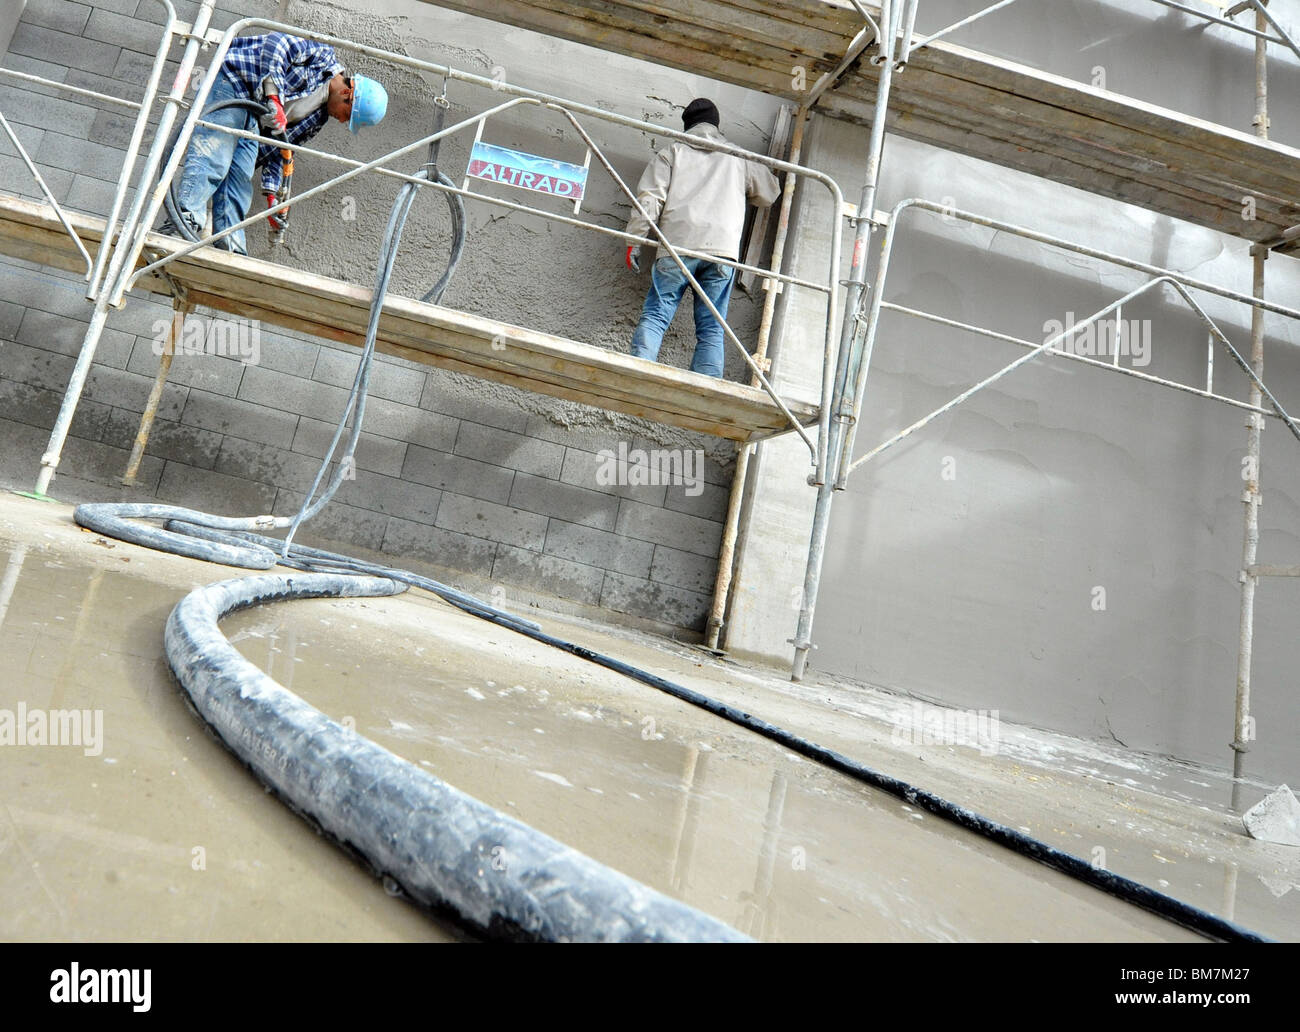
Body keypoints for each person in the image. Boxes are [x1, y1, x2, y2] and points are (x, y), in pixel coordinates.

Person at [164, 32, 388, 254]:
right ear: (347, 93)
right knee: (215, 156)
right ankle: (183, 222)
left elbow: (278, 149)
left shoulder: (316, 119)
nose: (341, 120)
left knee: (240, 175)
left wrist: (274, 198)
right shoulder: (322, 56)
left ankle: (230, 247)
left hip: (252, 117)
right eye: (347, 115)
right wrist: (274, 99)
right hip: (237, 83)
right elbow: (277, 44)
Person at [624, 98, 780, 378]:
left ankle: (638, 372)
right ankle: (708, 387)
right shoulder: (737, 157)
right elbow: (770, 192)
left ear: (687, 126)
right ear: (716, 125)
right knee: (711, 327)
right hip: (721, 252)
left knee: (657, 316)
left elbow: (649, 201)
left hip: (676, 247)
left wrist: (633, 241)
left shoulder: (672, 153)